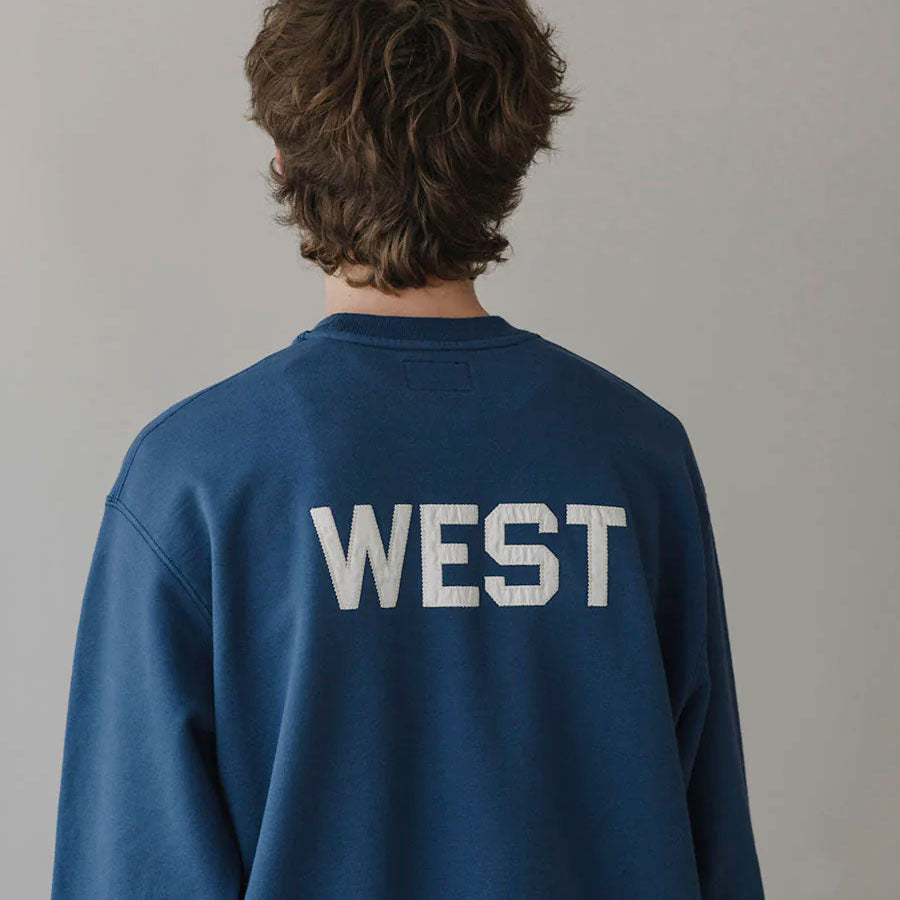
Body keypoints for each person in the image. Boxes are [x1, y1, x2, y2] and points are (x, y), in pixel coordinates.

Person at [50, 1, 765, 898]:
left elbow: (132, 866)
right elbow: (712, 840)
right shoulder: (636, 457)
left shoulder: (195, 476)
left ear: (284, 157)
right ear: (511, 156)